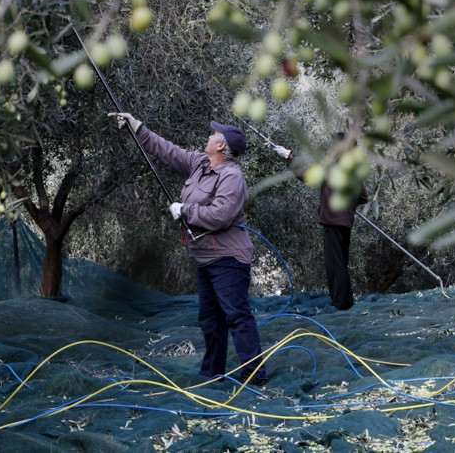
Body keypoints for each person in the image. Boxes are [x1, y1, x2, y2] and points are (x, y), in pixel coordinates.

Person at [109, 112, 267, 385]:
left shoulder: (231, 176)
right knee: (209, 320)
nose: (208, 135)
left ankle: (255, 376)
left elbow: (221, 215)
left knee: (237, 316)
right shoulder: (199, 163)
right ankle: (212, 375)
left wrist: (185, 210)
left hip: (228, 258)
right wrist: (138, 127)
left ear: (220, 145)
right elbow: (168, 151)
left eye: (213, 133)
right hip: (204, 258)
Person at [274, 133, 368, 310]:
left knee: (334, 265)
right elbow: (363, 196)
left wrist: (290, 158)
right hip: (346, 221)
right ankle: (346, 300)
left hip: (333, 220)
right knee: (341, 262)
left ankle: (339, 303)